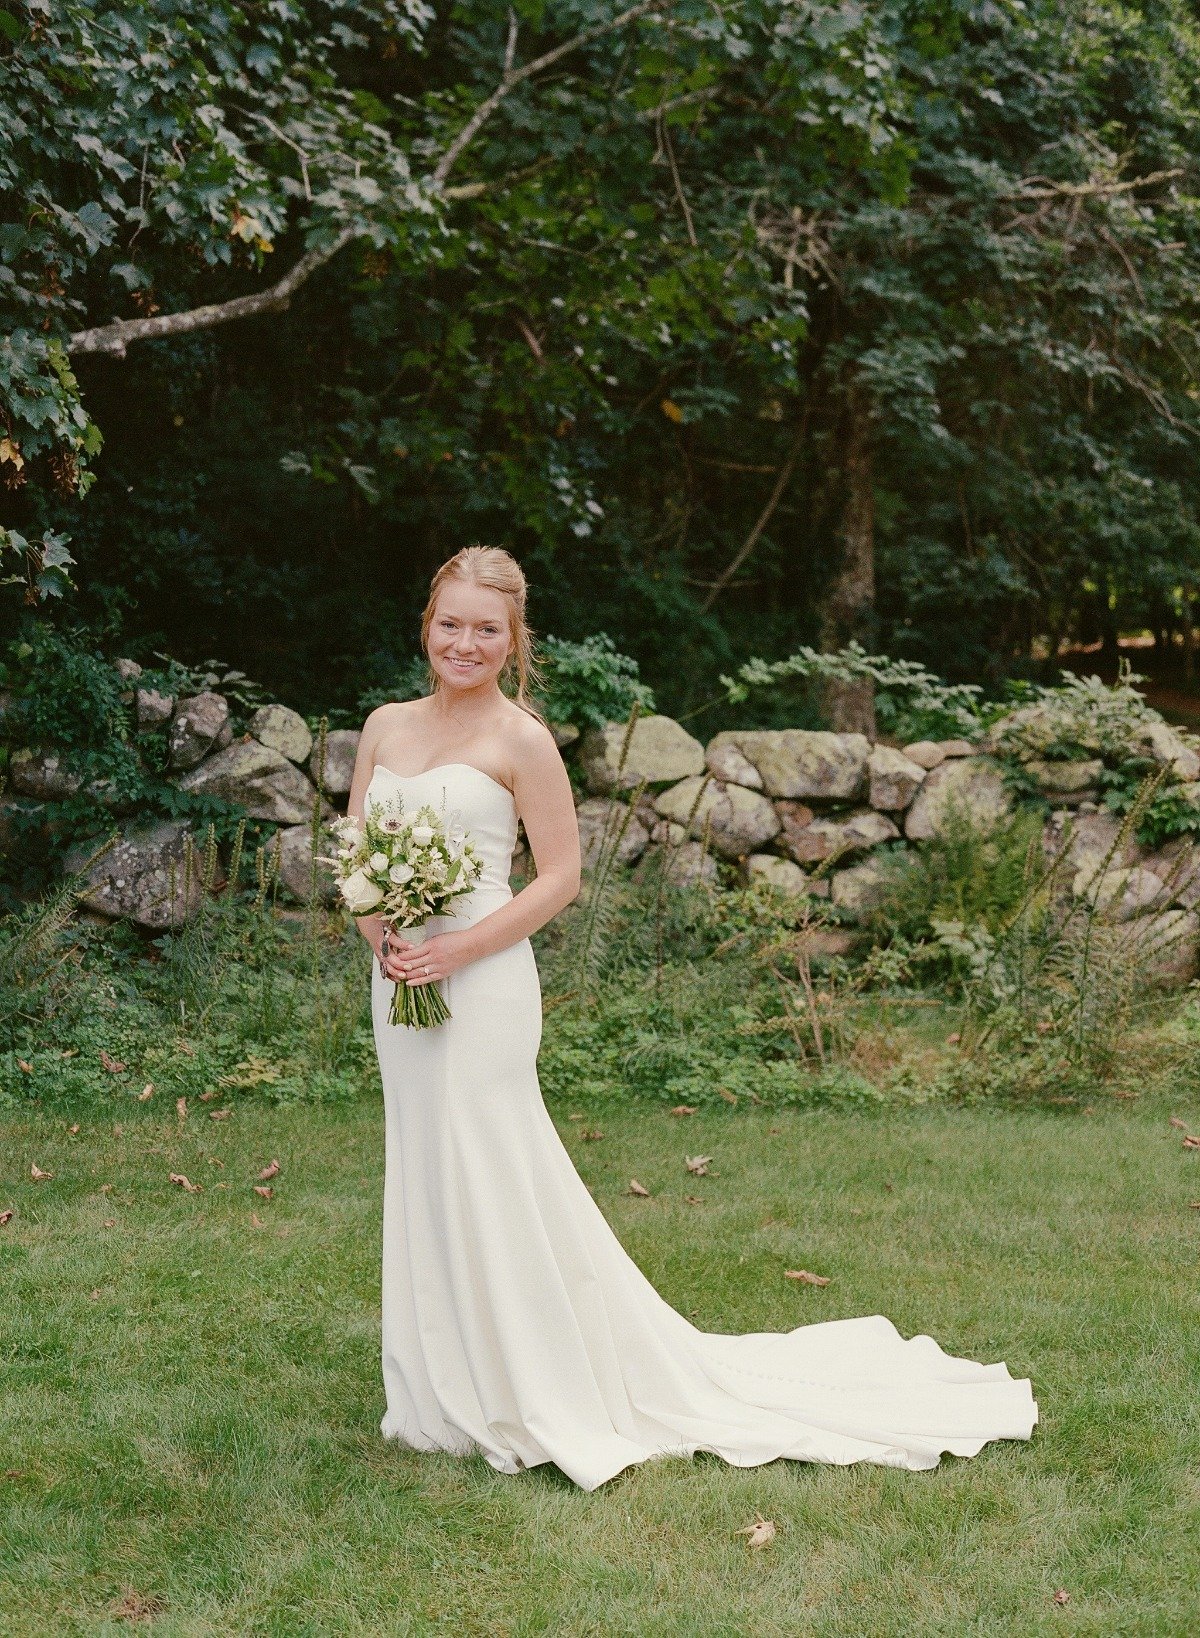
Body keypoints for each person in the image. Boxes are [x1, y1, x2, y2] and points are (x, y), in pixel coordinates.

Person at [345, 545, 1038, 1492]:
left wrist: (456, 950)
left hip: (484, 984)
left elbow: (560, 878)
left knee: (490, 1165)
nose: (464, 642)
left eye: (486, 628)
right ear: (426, 624)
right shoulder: (386, 727)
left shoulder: (522, 741)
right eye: (450, 622)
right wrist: (383, 939)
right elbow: (358, 855)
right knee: (423, 1163)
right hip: (399, 983)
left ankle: (528, 1382)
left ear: (514, 641)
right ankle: (437, 1387)